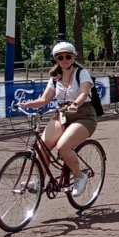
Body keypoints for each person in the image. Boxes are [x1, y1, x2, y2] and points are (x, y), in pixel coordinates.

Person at [18, 42, 95, 197]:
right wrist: (26, 104)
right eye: (60, 57)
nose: (64, 59)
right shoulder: (55, 77)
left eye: (68, 56)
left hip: (83, 115)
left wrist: (75, 104)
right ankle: (39, 180)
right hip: (62, 115)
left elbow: (84, 93)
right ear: (56, 59)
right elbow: (44, 99)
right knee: (42, 146)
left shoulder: (82, 73)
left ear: (73, 57)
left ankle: (80, 176)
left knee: (63, 147)